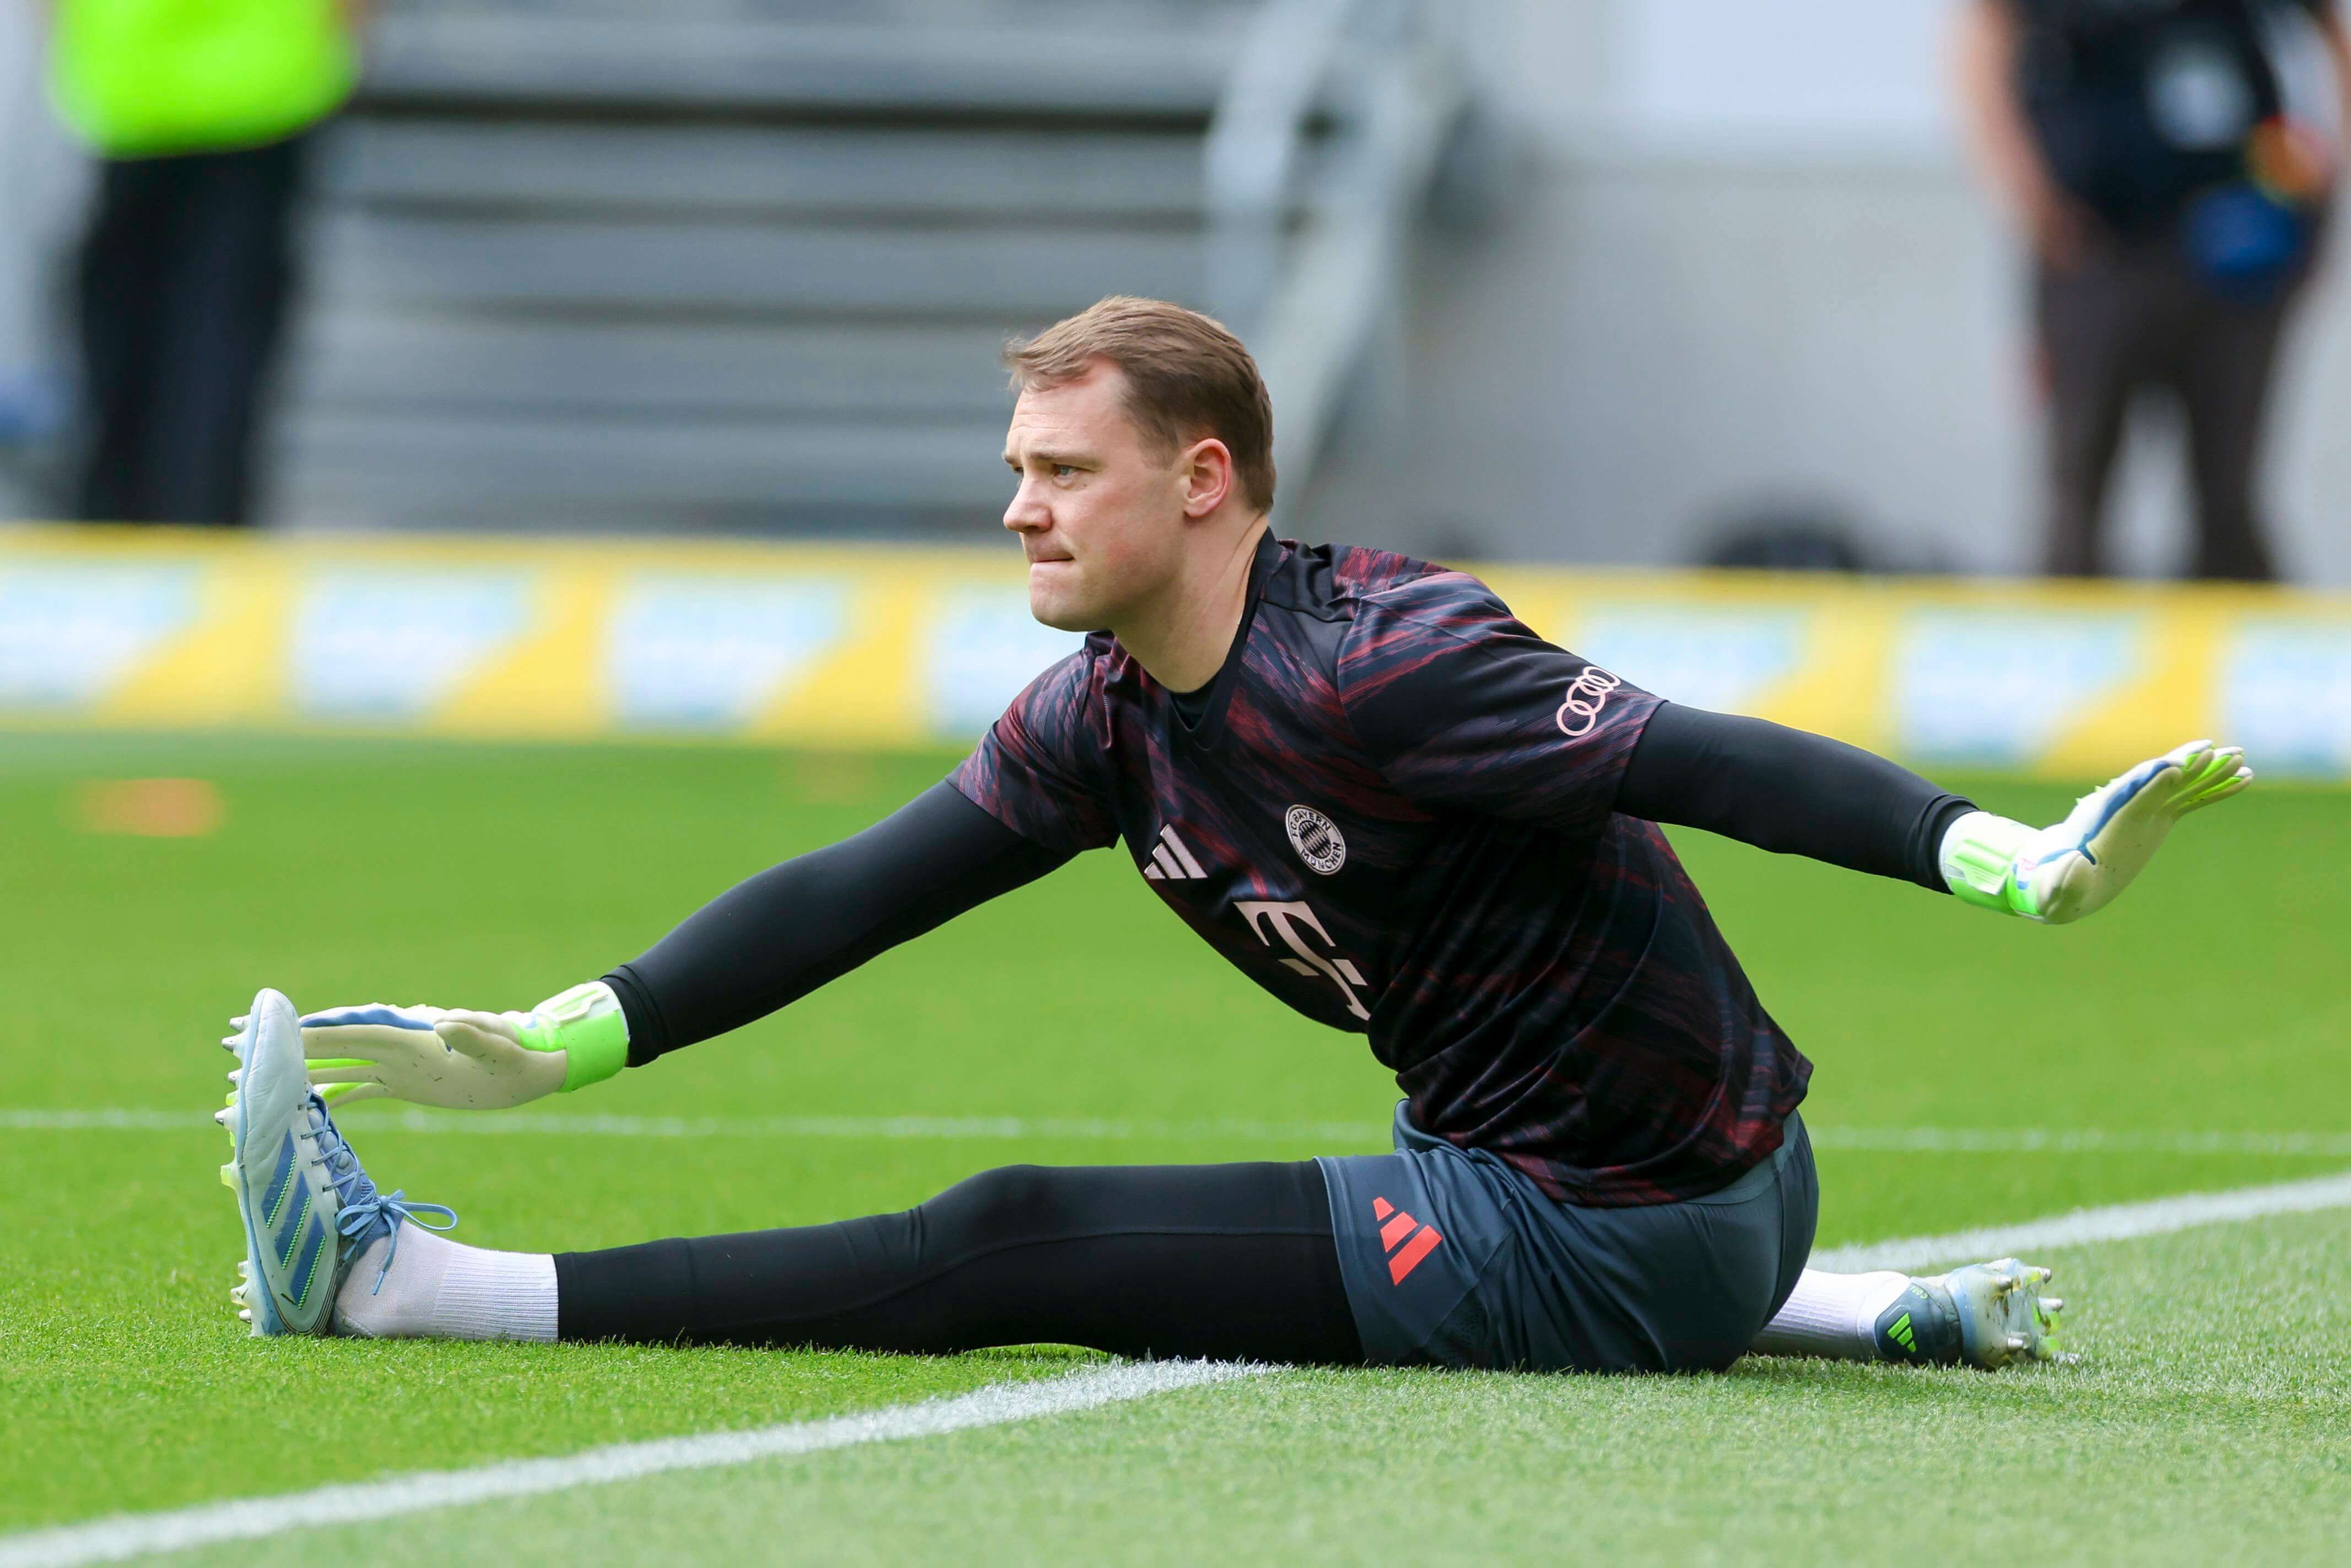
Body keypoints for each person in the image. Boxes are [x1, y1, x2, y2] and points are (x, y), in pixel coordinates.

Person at [216, 298, 2249, 1375]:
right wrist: (559, 1034)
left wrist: (1998, 853)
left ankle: (417, 1291)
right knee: (1248, 1181)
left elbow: (1696, 755)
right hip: (1681, 1199)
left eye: (1059, 469)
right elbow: (861, 890)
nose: (1014, 505)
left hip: (1615, 1227)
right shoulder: (1104, 718)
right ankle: (1836, 1307)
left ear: (1200, 481)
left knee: (1012, 1234)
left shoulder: (1381, 657)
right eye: (1011, 466)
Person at [1954, 0, 2351, 581]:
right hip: (2100, 245)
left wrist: (2326, 188)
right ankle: (2068, 657)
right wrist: (2027, 195)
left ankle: (2233, 658)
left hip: (2236, 255)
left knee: (2226, 496)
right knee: (2078, 489)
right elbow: (1983, 39)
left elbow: (2329, 29)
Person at [40, 0, 363, 525]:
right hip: (255, 85)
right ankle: (196, 540)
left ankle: (114, 544)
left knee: (123, 350)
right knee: (218, 348)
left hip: (135, 83)